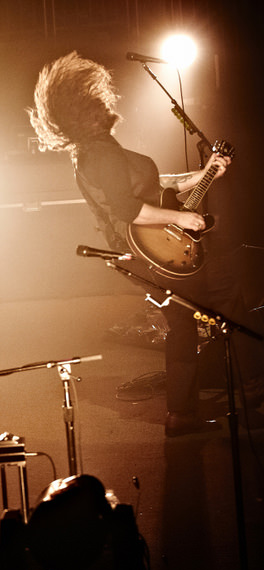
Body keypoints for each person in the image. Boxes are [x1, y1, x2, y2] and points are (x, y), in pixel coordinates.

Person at [28, 52, 262, 437]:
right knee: (230, 305)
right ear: (86, 108)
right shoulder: (99, 154)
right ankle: (255, 394)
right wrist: (183, 218)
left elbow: (159, 185)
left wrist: (205, 173)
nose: (108, 101)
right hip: (154, 249)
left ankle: (181, 413)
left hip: (147, 253)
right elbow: (129, 208)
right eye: (98, 98)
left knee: (183, 326)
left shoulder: (102, 151)